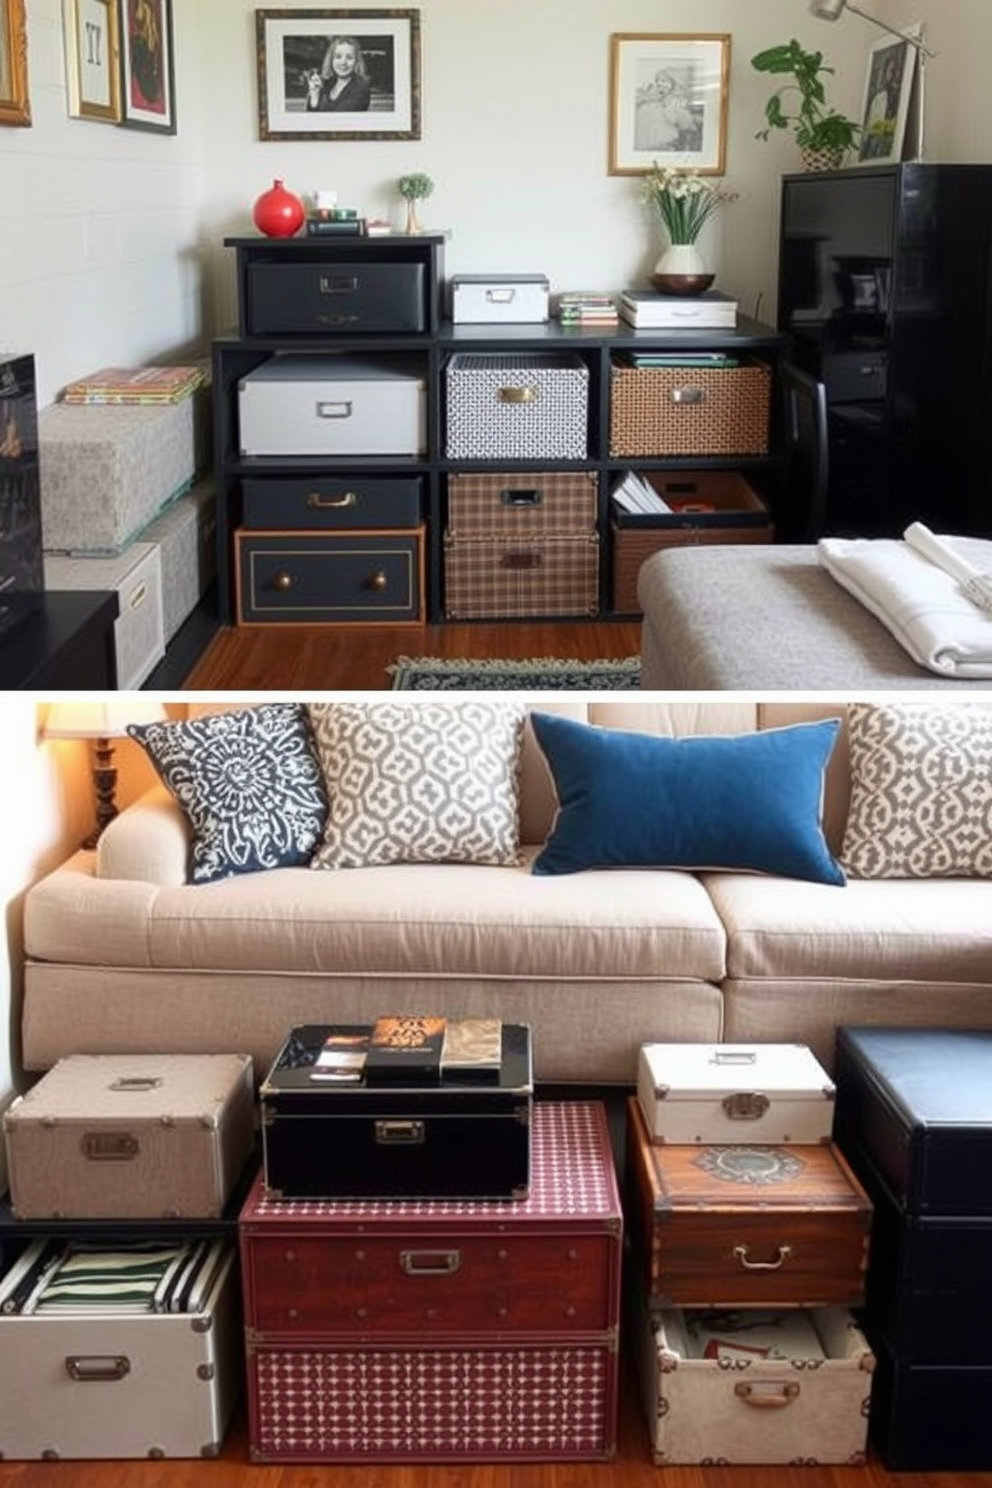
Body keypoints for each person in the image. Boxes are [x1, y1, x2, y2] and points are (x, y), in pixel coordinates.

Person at [635, 68, 701, 153]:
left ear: (673, 82)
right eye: (657, 81)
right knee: (646, 109)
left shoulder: (677, 99)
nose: (659, 83)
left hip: (668, 134)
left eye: (663, 81)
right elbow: (644, 100)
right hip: (654, 135)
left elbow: (674, 119)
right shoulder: (657, 97)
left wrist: (664, 107)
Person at [305, 35, 371, 112]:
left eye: (349, 58)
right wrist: (314, 95)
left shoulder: (361, 89)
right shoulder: (327, 84)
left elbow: (338, 119)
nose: (343, 62)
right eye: (338, 57)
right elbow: (311, 118)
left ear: (356, 62)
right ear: (331, 60)